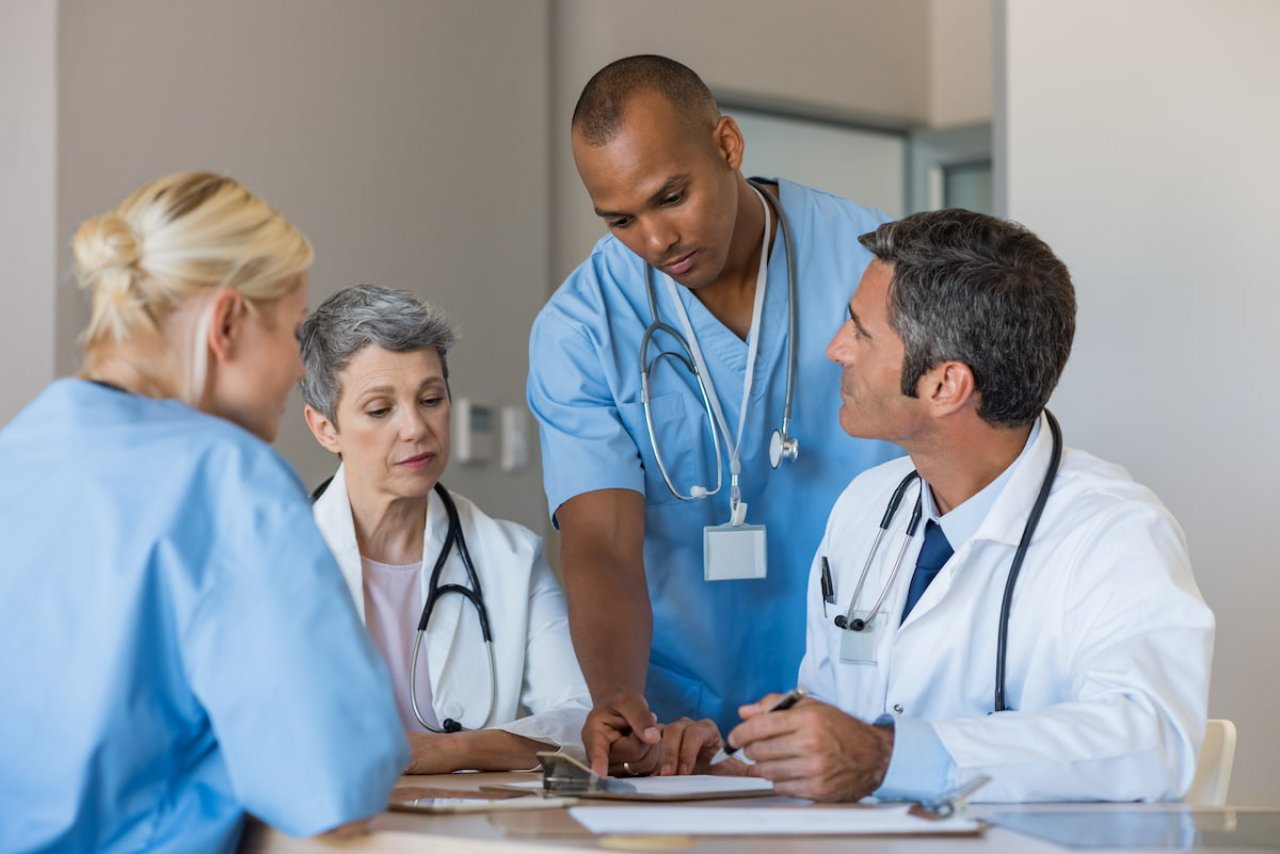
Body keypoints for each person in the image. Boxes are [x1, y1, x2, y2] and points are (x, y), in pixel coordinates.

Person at [727, 209, 1214, 802]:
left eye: (860, 331)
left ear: (944, 386)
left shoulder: (1113, 532)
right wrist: (737, 754)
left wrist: (888, 757)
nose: (836, 349)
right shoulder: (866, 505)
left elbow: (1151, 741)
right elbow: (833, 713)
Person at [0, 173, 409, 853]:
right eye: (293, 331)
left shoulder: (16, 451)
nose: (298, 370)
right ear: (226, 324)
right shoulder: (227, 477)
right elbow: (335, 783)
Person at [526, 54, 902, 777]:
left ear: (727, 145)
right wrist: (618, 698)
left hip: (870, 694)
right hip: (680, 725)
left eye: (671, 197)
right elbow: (602, 541)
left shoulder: (880, 266)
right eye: (620, 220)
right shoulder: (581, 328)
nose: (655, 241)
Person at [301, 285, 591, 774]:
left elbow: (580, 722)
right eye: (380, 410)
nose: (416, 428)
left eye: (431, 399)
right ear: (325, 428)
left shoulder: (511, 558)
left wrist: (448, 752)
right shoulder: (273, 562)